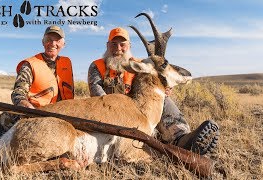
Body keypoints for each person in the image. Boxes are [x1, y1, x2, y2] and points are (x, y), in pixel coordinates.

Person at [87, 27, 219, 155]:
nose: (118, 49)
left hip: (139, 111)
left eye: (122, 44)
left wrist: (164, 86)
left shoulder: (142, 65)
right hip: (112, 114)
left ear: (129, 46)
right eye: (113, 44)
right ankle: (156, 139)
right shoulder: (97, 66)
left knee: (163, 98)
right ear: (107, 45)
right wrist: (117, 114)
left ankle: (182, 138)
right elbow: (97, 94)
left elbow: (161, 79)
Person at [0, 25, 74, 143]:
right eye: (49, 39)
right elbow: (18, 94)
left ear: (63, 44)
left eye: (57, 40)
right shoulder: (30, 65)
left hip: (59, 115)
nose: (53, 43)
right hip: (31, 114)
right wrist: (31, 111)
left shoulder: (67, 63)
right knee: (5, 125)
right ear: (43, 42)